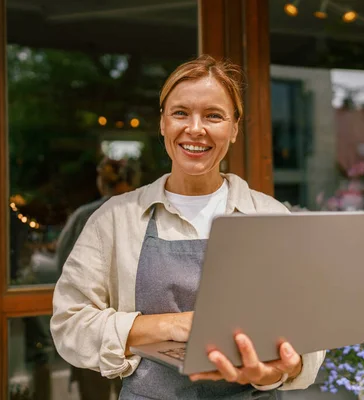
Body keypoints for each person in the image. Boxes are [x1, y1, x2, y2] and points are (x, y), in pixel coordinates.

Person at [51, 55, 325, 399]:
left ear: (235, 128)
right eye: (180, 113)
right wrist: (169, 325)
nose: (195, 129)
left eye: (213, 115)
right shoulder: (114, 218)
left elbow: (306, 334)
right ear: (162, 123)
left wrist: (276, 371)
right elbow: (69, 325)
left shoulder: (271, 217)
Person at [55, 157, 139, 399]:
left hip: (94, 325)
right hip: (138, 327)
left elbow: (64, 269)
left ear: (102, 182)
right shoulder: (149, 213)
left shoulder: (85, 216)